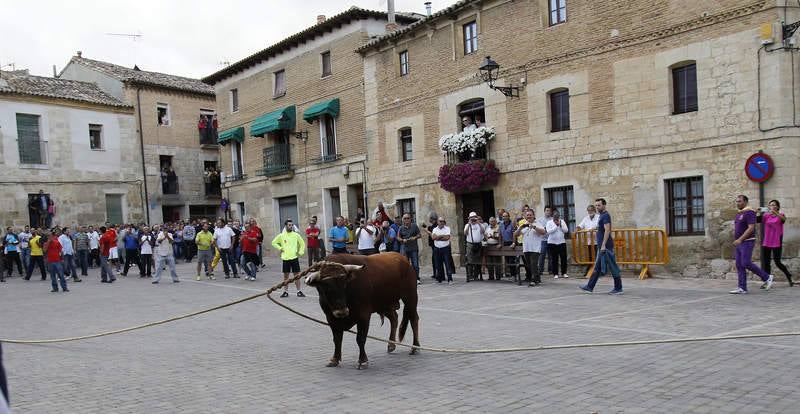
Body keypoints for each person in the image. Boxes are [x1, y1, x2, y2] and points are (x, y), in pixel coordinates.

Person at [729, 195, 773, 294]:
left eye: (739, 201)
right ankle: (742, 288)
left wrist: (740, 239)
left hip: (747, 241)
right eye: (736, 201)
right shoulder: (740, 213)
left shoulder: (749, 212)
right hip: (739, 243)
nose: (737, 203)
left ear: (745, 202)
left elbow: (751, 228)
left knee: (745, 262)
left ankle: (767, 277)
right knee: (739, 265)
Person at [580, 198, 623, 294]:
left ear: (604, 205)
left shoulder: (606, 215)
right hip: (601, 246)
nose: (597, 207)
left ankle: (618, 288)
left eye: (599, 205)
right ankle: (589, 286)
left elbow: (607, 230)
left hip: (606, 246)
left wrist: (603, 245)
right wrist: (594, 228)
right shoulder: (601, 215)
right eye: (596, 205)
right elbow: (601, 227)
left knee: (612, 267)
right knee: (597, 267)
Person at [758, 200, 793, 287]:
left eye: (773, 205)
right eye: (770, 205)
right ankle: (767, 281)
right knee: (766, 262)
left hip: (776, 241)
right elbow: (757, 220)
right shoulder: (766, 216)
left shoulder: (781, 215)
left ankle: (788, 275)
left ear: (777, 207)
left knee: (777, 262)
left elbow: (783, 220)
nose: (771, 207)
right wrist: (757, 212)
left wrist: (776, 213)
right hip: (767, 241)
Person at [271, 219, 306, 297]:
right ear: (286, 226)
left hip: (294, 258)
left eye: (292, 225)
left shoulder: (296, 235)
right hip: (286, 258)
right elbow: (273, 242)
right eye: (289, 225)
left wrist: (300, 252)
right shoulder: (281, 235)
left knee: (296, 275)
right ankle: (285, 292)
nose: (291, 226)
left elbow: (302, 243)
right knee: (286, 276)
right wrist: (280, 248)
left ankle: (299, 291)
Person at [516, 209, 546, 286]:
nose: (529, 216)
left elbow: (543, 232)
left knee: (533, 264)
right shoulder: (524, 224)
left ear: (533, 215)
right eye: (527, 215)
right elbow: (516, 234)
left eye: (530, 215)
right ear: (525, 216)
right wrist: (520, 228)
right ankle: (537, 278)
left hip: (535, 248)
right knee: (529, 265)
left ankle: (533, 280)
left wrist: (534, 227)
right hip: (526, 248)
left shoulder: (537, 223)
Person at [397, 213, 422, 284]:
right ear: (403, 220)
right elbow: (398, 237)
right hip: (404, 249)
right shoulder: (401, 228)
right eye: (405, 218)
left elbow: (420, 235)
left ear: (410, 219)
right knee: (405, 265)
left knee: (415, 265)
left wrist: (415, 237)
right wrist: (402, 240)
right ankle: (406, 279)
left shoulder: (414, 226)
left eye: (408, 218)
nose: (406, 220)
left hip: (413, 248)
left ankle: (416, 278)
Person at [546, 209, 569, 279]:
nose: (556, 217)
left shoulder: (562, 221)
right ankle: (555, 273)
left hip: (561, 242)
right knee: (554, 258)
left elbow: (566, 230)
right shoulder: (549, 222)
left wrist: (561, 226)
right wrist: (556, 226)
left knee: (563, 258)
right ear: (552, 216)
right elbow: (548, 232)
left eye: (557, 216)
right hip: (552, 243)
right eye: (555, 216)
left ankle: (564, 272)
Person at [577, 204, 600, 273]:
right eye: (589, 210)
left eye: (591, 210)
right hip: (589, 241)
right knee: (590, 256)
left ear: (594, 210)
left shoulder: (599, 217)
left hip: (597, 240)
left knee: (598, 256)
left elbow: (600, 226)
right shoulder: (586, 218)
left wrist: (595, 228)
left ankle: (598, 270)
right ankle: (591, 269)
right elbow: (580, 225)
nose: (590, 211)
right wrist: (577, 229)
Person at [44, 228, 68, 292]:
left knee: (61, 275)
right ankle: (55, 288)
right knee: (52, 276)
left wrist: (62, 259)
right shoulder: (46, 243)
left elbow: (61, 251)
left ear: (52, 236)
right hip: (50, 261)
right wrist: (48, 242)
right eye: (48, 236)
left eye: (50, 236)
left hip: (57, 261)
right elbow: (44, 250)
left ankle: (64, 287)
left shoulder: (57, 242)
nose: (49, 237)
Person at [431, 217, 453, 284]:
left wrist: (438, 237)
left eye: (443, 221)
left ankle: (450, 279)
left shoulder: (447, 228)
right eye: (440, 221)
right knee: (438, 264)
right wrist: (442, 236)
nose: (441, 222)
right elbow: (433, 237)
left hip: (445, 248)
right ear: (437, 222)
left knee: (447, 264)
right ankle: (440, 278)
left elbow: (447, 238)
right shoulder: (434, 229)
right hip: (437, 249)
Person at [464, 212, 485, 281]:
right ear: (469, 218)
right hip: (470, 244)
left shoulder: (480, 225)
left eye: (474, 218)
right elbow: (465, 233)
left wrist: (478, 222)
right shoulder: (467, 225)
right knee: (470, 260)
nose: (473, 220)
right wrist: (469, 224)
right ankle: (470, 275)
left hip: (478, 244)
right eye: (471, 218)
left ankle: (476, 275)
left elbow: (483, 231)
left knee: (478, 261)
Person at [499, 211, 517, 280]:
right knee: (507, 260)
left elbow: (514, 234)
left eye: (506, 216)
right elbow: (500, 235)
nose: (505, 217)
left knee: (512, 260)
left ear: (509, 217)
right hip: (505, 243)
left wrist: (514, 243)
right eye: (503, 216)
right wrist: (500, 243)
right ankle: (512, 274)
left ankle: (514, 275)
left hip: (511, 243)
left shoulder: (512, 224)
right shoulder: (501, 225)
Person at [484, 216, 502, 280]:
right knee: (489, 262)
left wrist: (492, 237)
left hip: (496, 245)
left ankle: (498, 277)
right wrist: (487, 238)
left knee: (497, 262)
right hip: (489, 246)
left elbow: (499, 237)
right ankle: (491, 276)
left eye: (493, 221)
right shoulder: (488, 228)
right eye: (491, 221)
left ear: (495, 222)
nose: (492, 222)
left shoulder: (498, 228)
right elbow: (485, 235)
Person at [537, 206, 552, 276]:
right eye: (547, 210)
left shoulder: (552, 219)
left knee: (551, 256)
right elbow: (538, 228)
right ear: (544, 211)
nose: (548, 212)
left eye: (549, 211)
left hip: (551, 240)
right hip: (543, 240)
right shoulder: (540, 220)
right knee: (542, 255)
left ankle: (551, 270)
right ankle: (540, 270)